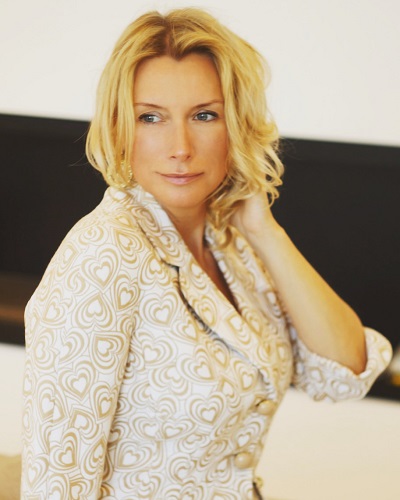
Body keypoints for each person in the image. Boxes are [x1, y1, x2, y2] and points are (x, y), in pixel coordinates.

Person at [21, 8, 392, 500]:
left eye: (204, 115)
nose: (180, 147)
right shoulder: (102, 256)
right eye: (150, 117)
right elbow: (56, 483)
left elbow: (345, 373)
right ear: (119, 128)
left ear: (236, 125)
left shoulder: (232, 243)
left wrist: (265, 231)